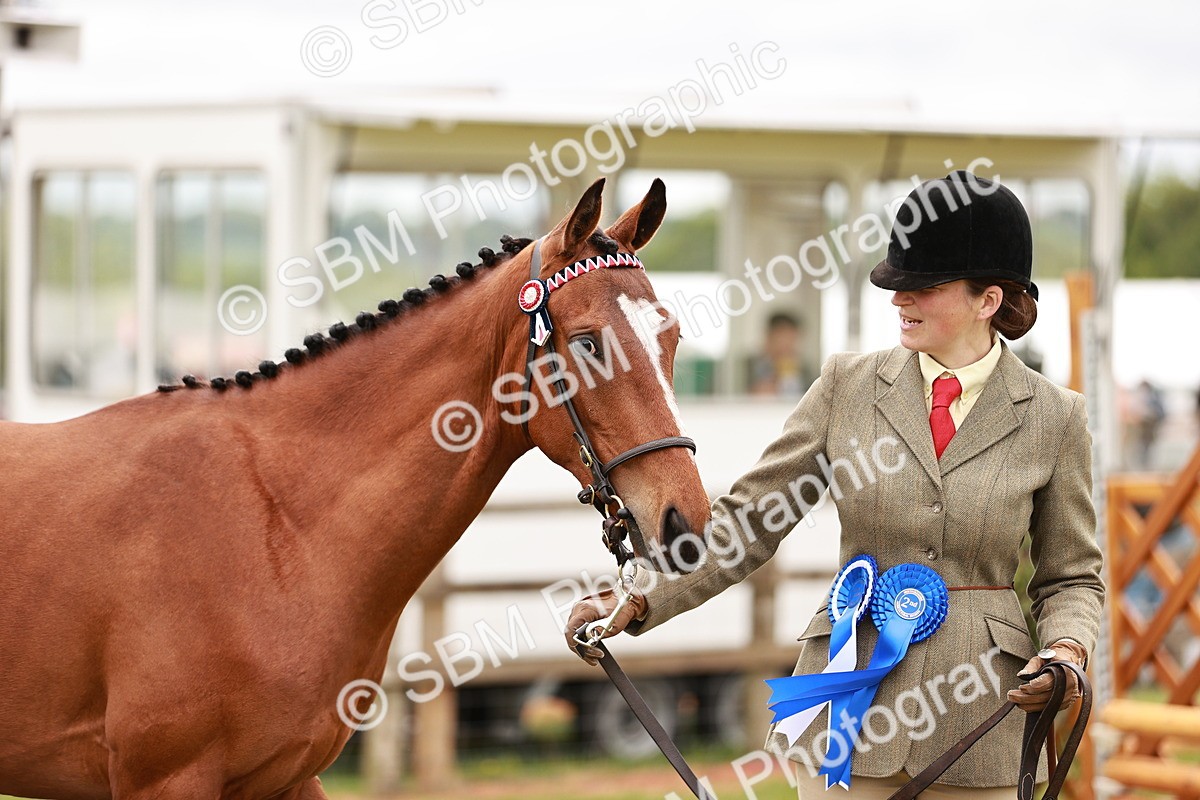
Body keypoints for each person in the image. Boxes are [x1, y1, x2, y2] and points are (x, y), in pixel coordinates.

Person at [565, 171, 1105, 799]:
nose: (899, 300)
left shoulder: (1055, 417)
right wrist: (637, 597)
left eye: (922, 287)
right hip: (845, 713)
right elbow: (750, 521)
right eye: (894, 284)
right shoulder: (846, 387)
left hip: (980, 717)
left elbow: (1071, 575)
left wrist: (1067, 652)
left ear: (988, 300)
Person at [749, 312, 815, 398]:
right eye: (781, 340)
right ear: (769, 338)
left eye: (792, 340)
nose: (787, 347)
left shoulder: (804, 370)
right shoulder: (752, 365)